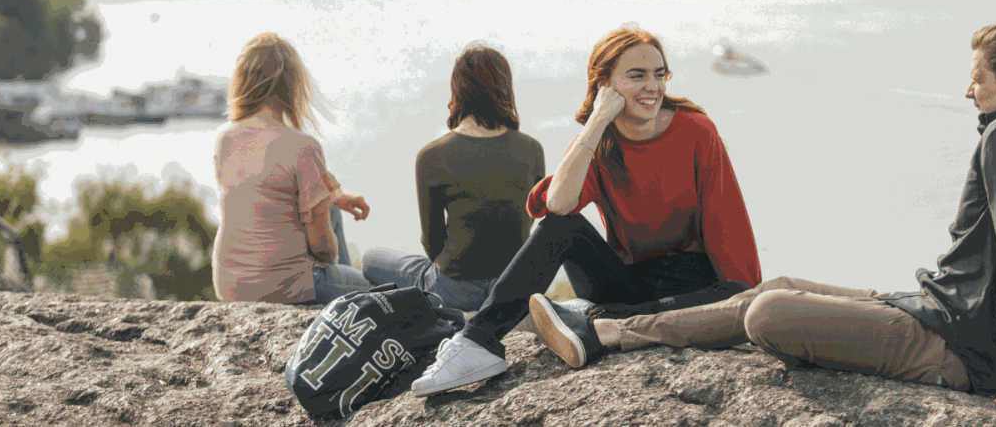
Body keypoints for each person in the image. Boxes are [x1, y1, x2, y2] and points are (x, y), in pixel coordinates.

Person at [529, 22, 996, 427]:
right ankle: (604, 332)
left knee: (767, 313)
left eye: (979, 78)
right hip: (935, 309)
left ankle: (603, 331)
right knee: (775, 287)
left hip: (956, 347)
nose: (968, 90)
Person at [412, 26, 762, 395]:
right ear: (605, 85)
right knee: (561, 225)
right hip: (629, 283)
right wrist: (596, 122)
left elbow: (727, 224)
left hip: (691, 284)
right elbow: (558, 205)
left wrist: (746, 302)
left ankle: (594, 321)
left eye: (660, 74)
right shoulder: (599, 142)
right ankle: (478, 342)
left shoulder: (697, 131)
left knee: (736, 291)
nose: (653, 87)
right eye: (637, 75)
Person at [361, 44, 546, 312]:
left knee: (371, 258)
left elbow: (432, 241)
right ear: (506, 88)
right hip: (511, 286)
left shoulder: (432, 155)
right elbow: (526, 222)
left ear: (457, 89)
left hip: (454, 290)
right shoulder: (532, 148)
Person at [212, 32, 373, 305]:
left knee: (329, 208)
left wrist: (331, 197)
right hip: (284, 286)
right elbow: (323, 252)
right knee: (379, 293)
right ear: (293, 86)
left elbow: (262, 197)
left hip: (230, 285)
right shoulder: (302, 147)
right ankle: (347, 311)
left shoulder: (225, 139)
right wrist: (331, 258)